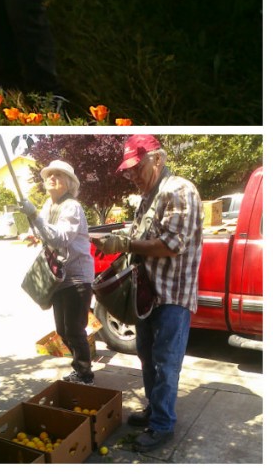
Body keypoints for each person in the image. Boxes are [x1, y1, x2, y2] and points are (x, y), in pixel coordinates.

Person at [91, 134, 203, 453]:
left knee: (166, 363)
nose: (133, 176)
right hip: (146, 296)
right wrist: (118, 235)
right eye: (129, 171)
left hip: (171, 297)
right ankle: (155, 411)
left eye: (137, 168)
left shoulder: (179, 190)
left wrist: (124, 244)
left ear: (158, 159)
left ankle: (163, 425)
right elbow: (142, 233)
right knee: (148, 359)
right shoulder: (149, 195)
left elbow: (172, 244)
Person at [20, 160, 94, 385]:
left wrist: (34, 217)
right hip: (59, 278)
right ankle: (80, 369)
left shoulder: (72, 206)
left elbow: (61, 238)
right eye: (49, 174)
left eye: (59, 175)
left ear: (69, 183)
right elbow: (48, 232)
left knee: (74, 329)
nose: (52, 178)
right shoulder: (49, 205)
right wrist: (36, 234)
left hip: (77, 277)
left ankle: (85, 374)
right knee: (62, 331)